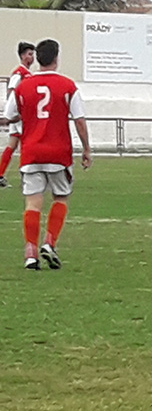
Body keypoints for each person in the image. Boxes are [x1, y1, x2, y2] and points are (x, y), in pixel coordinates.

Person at [1, 39, 91, 270]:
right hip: (58, 152)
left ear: (37, 59)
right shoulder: (68, 86)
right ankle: (49, 243)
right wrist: (86, 149)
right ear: (56, 58)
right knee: (60, 198)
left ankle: (30, 252)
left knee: (32, 202)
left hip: (31, 152)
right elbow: (79, 120)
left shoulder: (23, 86)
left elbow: (9, 115)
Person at [0, 42, 36, 189]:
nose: (32, 57)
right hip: (19, 116)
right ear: (22, 56)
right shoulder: (19, 73)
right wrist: (15, 112)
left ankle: (1, 174)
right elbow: (11, 91)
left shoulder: (27, 73)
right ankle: (26, 176)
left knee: (13, 144)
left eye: (33, 54)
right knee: (26, 144)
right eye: (29, 54)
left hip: (21, 116)